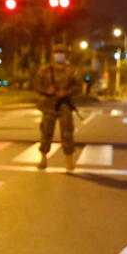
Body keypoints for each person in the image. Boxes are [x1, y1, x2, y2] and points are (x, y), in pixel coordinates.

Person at [33, 44, 82, 173]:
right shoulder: (45, 70)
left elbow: (78, 86)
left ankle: (68, 161)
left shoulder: (72, 70)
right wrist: (46, 91)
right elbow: (37, 85)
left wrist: (66, 92)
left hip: (65, 105)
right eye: (56, 51)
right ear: (52, 53)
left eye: (61, 51)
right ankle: (43, 159)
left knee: (67, 133)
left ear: (65, 54)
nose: (58, 54)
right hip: (48, 105)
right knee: (46, 133)